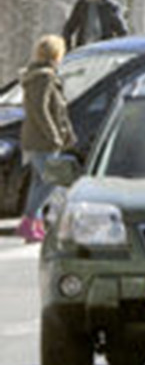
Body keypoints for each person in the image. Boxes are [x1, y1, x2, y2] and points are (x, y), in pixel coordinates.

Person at [18, 35, 74, 242]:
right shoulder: (44, 78)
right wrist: (54, 135)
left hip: (37, 139)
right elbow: (40, 110)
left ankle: (35, 225)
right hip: (42, 141)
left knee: (39, 183)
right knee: (52, 180)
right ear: (56, 54)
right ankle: (28, 221)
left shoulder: (40, 76)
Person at [62, 0, 129, 51]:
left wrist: (117, 49)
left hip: (104, 48)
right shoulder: (82, 5)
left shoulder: (110, 6)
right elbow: (69, 27)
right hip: (84, 46)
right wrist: (68, 47)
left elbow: (122, 30)